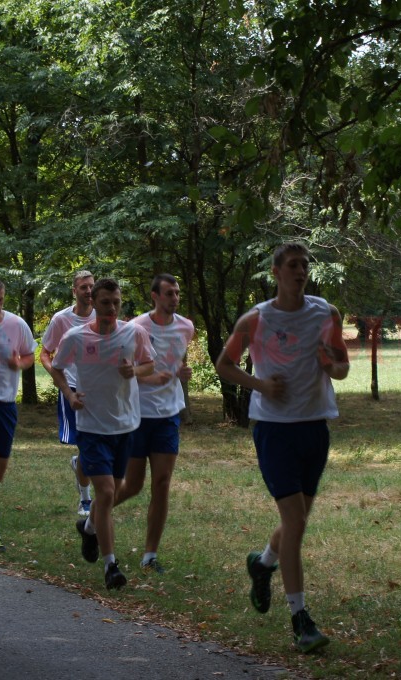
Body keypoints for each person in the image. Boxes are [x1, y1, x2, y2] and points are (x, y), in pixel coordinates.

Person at [214, 242, 350, 654]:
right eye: (293, 265)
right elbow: (224, 364)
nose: (301, 271)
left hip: (315, 427)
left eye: (305, 265)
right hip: (274, 430)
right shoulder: (255, 320)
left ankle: (263, 563)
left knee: (298, 521)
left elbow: (343, 367)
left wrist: (332, 366)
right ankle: (300, 620)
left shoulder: (326, 313)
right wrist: (260, 385)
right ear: (276, 272)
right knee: (295, 522)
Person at [50, 277, 154, 590]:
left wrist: (134, 371)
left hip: (125, 426)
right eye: (105, 302)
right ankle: (111, 566)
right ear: (93, 303)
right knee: (106, 493)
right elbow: (56, 366)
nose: (111, 308)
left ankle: (90, 528)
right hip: (92, 426)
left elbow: (149, 364)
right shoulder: (75, 336)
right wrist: (70, 395)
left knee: (112, 493)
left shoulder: (133, 332)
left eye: (116, 303)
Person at [115, 274, 194, 574]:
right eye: (169, 293)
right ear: (154, 297)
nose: (175, 298)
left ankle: (150, 554)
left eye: (177, 292)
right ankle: (94, 518)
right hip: (137, 415)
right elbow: (124, 371)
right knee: (133, 486)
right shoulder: (135, 328)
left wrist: (181, 375)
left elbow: (179, 362)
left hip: (168, 415)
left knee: (161, 483)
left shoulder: (186, 327)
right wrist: (151, 377)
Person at [0, 277, 37, 551]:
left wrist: (18, 363)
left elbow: (30, 355)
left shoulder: (16, 324)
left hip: (7, 405)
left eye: (1, 300)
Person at [39, 270, 96, 516]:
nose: (88, 291)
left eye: (91, 286)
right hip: (72, 388)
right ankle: (85, 499)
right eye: (83, 287)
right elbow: (44, 353)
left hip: (99, 389)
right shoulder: (61, 320)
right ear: (74, 291)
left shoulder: (104, 314)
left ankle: (79, 466)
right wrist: (58, 378)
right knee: (86, 445)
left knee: (95, 445)